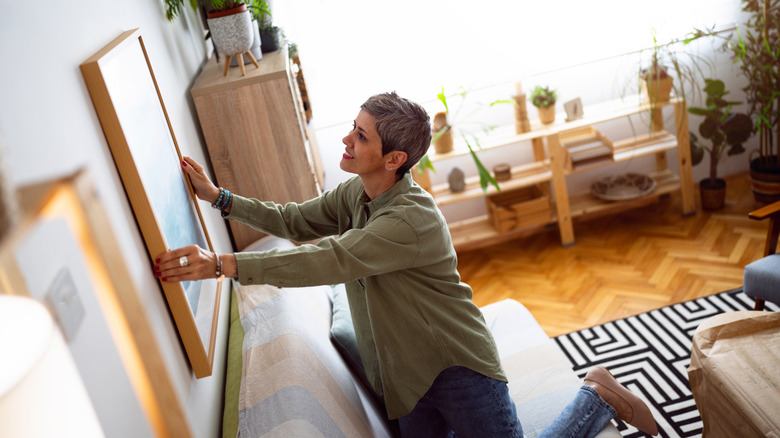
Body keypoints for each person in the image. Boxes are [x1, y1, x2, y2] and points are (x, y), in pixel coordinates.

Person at [155, 92, 658, 437]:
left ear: (394, 159)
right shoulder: (358, 192)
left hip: (456, 366)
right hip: (401, 377)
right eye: (353, 128)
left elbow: (330, 259)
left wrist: (221, 265)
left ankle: (596, 395)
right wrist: (221, 199)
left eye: (361, 136)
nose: (347, 141)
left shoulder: (410, 221)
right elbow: (297, 222)